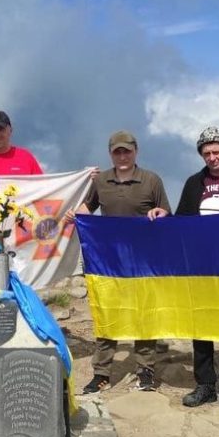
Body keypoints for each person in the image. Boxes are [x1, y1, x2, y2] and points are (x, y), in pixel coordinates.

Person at [148, 126, 219, 412]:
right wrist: (165, 216)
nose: (212, 157)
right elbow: (183, 221)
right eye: (206, 152)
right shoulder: (194, 183)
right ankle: (205, 384)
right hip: (200, 266)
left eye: (217, 152)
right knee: (202, 325)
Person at [71, 130, 172, 393]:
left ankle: (146, 371)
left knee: (144, 315)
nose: (123, 155)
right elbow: (87, 210)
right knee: (107, 315)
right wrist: (73, 217)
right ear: (111, 154)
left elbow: (166, 213)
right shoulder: (101, 181)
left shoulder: (152, 180)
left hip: (144, 263)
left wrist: (159, 213)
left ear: (135, 151)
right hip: (109, 262)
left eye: (127, 150)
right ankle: (102, 373)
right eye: (118, 151)